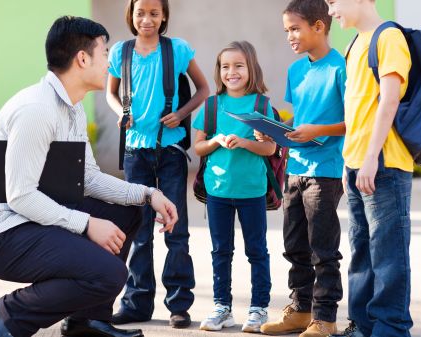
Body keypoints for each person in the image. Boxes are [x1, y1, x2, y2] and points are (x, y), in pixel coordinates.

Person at [0, 16, 179, 337]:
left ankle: (87, 321)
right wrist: (87, 224)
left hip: (29, 219)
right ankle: (8, 315)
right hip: (0, 234)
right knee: (109, 274)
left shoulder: (71, 107)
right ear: (82, 58)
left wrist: (149, 194)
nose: (110, 62)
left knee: (127, 211)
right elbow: (19, 196)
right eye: (105, 53)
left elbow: (88, 178)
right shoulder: (37, 109)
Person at [106, 0, 209, 329]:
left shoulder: (176, 49)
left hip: (170, 152)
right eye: (140, 13)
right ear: (131, 15)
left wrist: (180, 113)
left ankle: (179, 303)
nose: (146, 19)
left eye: (153, 13)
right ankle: (137, 302)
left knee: (175, 229)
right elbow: (111, 94)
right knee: (138, 231)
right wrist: (121, 112)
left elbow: (204, 88)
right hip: (136, 152)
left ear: (164, 15)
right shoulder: (120, 52)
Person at [326, 0, 414, 336]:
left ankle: (390, 328)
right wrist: (352, 162)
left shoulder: (387, 37)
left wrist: (371, 158)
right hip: (357, 163)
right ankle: (362, 325)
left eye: (334, 2)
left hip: (383, 164)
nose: (331, 10)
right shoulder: (353, 43)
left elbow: (389, 100)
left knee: (388, 252)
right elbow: (356, 109)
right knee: (361, 249)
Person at [259, 1, 346, 336]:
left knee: (322, 249)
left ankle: (325, 318)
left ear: (319, 26)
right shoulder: (297, 70)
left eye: (295, 29)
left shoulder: (341, 67)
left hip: (326, 169)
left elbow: (354, 121)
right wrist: (273, 127)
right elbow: (298, 118)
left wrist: (316, 131)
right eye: (286, 31)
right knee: (295, 245)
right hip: (295, 167)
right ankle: (300, 310)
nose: (290, 37)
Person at [193, 41, 276, 333]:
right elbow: (199, 147)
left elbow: (270, 149)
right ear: (219, 71)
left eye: (238, 65)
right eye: (225, 66)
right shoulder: (212, 105)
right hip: (218, 192)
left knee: (257, 251)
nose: (232, 72)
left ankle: (259, 309)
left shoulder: (262, 105)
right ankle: (221, 307)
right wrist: (216, 140)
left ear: (251, 68)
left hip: (252, 190)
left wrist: (246, 142)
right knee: (221, 251)